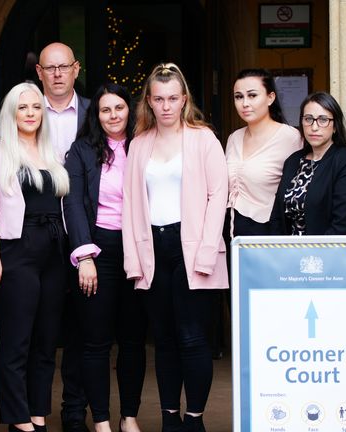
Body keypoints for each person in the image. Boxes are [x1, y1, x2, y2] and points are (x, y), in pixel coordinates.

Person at [121, 63, 228, 432]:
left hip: (193, 246)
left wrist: (207, 250)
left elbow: (219, 195)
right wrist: (133, 261)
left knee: (193, 337)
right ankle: (169, 418)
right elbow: (131, 205)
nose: (166, 105)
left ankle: (194, 418)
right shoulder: (139, 144)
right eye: (159, 99)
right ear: (149, 102)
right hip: (153, 247)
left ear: (184, 99)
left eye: (173, 98)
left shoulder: (203, 139)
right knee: (163, 340)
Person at [0, 82, 70, 432]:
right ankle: (18, 419)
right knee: (17, 341)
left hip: (54, 251)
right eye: (23, 107)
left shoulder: (53, 153)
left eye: (36, 107)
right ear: (10, 113)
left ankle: (38, 414)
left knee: (46, 341)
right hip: (16, 250)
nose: (30, 113)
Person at [63, 83, 147, 432]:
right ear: (95, 115)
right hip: (99, 250)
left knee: (133, 340)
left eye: (119, 108)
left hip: (140, 249)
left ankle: (129, 417)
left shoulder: (145, 145)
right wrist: (84, 255)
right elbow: (74, 203)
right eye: (105, 110)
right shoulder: (82, 151)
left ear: (130, 110)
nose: (113, 116)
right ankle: (101, 420)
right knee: (95, 342)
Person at [35, 41, 91, 432]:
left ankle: (75, 412)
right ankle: (31, 412)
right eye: (49, 68)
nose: (56, 73)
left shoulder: (94, 111)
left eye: (63, 67)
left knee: (83, 328)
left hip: (86, 231)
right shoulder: (25, 108)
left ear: (76, 69)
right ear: (39, 72)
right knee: (39, 327)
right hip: (38, 231)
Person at [270, 91, 346, 235]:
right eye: (308, 119)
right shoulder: (293, 161)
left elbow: (344, 222)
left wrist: (315, 253)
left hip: (329, 252)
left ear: (335, 126)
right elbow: (277, 216)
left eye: (323, 119)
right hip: (289, 253)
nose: (314, 127)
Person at [225, 69, 302, 238]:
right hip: (232, 232)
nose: (245, 103)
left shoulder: (289, 137)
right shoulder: (234, 138)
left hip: (268, 232)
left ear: (270, 98)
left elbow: (299, 192)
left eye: (252, 95)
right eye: (238, 97)